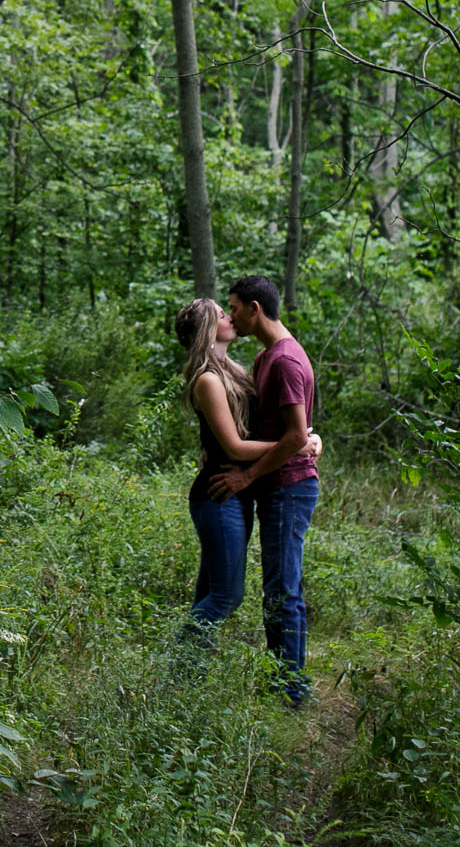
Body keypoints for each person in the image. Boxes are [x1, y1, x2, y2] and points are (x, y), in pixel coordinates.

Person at [175, 297, 320, 649]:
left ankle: (185, 681)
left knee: (210, 591)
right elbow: (236, 447)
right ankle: (178, 667)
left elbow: (269, 429)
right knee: (226, 596)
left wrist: (306, 437)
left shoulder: (235, 370)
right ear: (210, 330)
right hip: (219, 492)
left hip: (239, 492)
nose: (231, 318)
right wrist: (297, 444)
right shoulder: (208, 380)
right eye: (223, 315)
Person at [202, 275, 319, 706]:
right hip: (277, 484)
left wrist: (247, 477)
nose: (229, 315)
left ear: (255, 308)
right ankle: (281, 684)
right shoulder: (266, 357)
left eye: (233, 307)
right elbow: (295, 432)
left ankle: (292, 693)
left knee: (283, 591)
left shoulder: (286, 360)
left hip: (290, 488)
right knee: (276, 588)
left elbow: (293, 437)